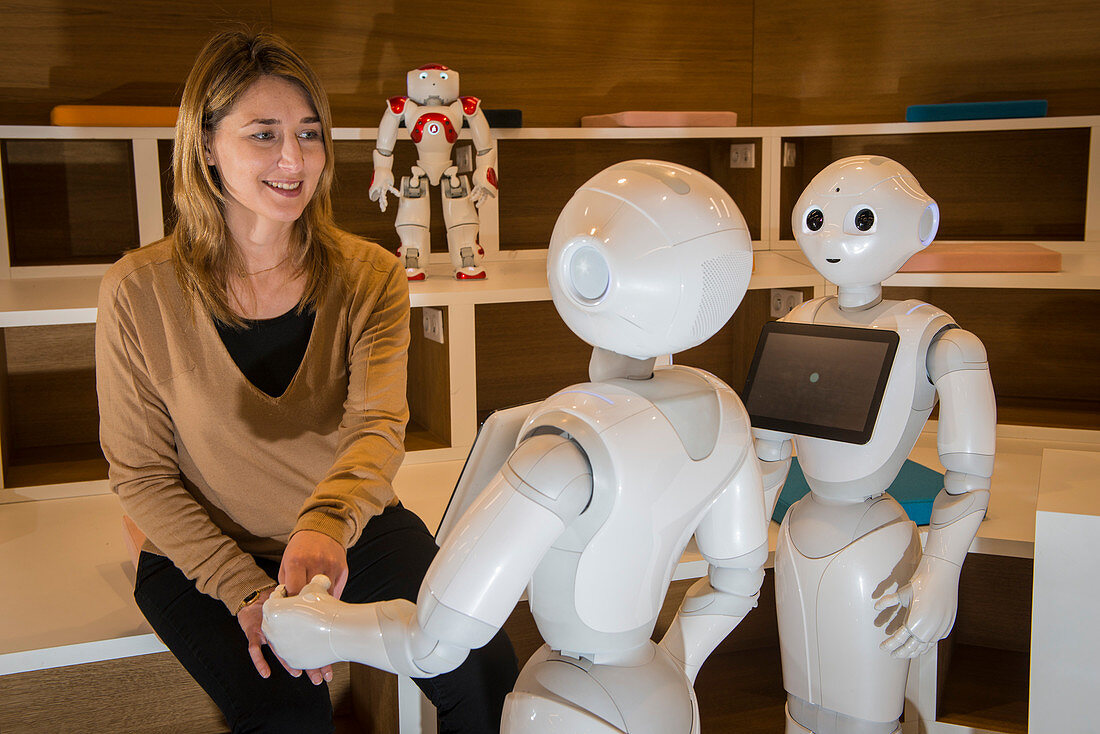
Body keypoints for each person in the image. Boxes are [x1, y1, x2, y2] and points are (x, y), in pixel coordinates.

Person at [95, 30, 518, 733]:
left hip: (346, 529)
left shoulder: (370, 275)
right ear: (205, 145)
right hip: (202, 550)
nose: (294, 160)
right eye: (263, 134)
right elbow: (140, 475)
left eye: (309, 134)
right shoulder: (138, 290)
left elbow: (377, 428)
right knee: (288, 713)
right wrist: (247, 591)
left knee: (483, 669)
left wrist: (325, 525)